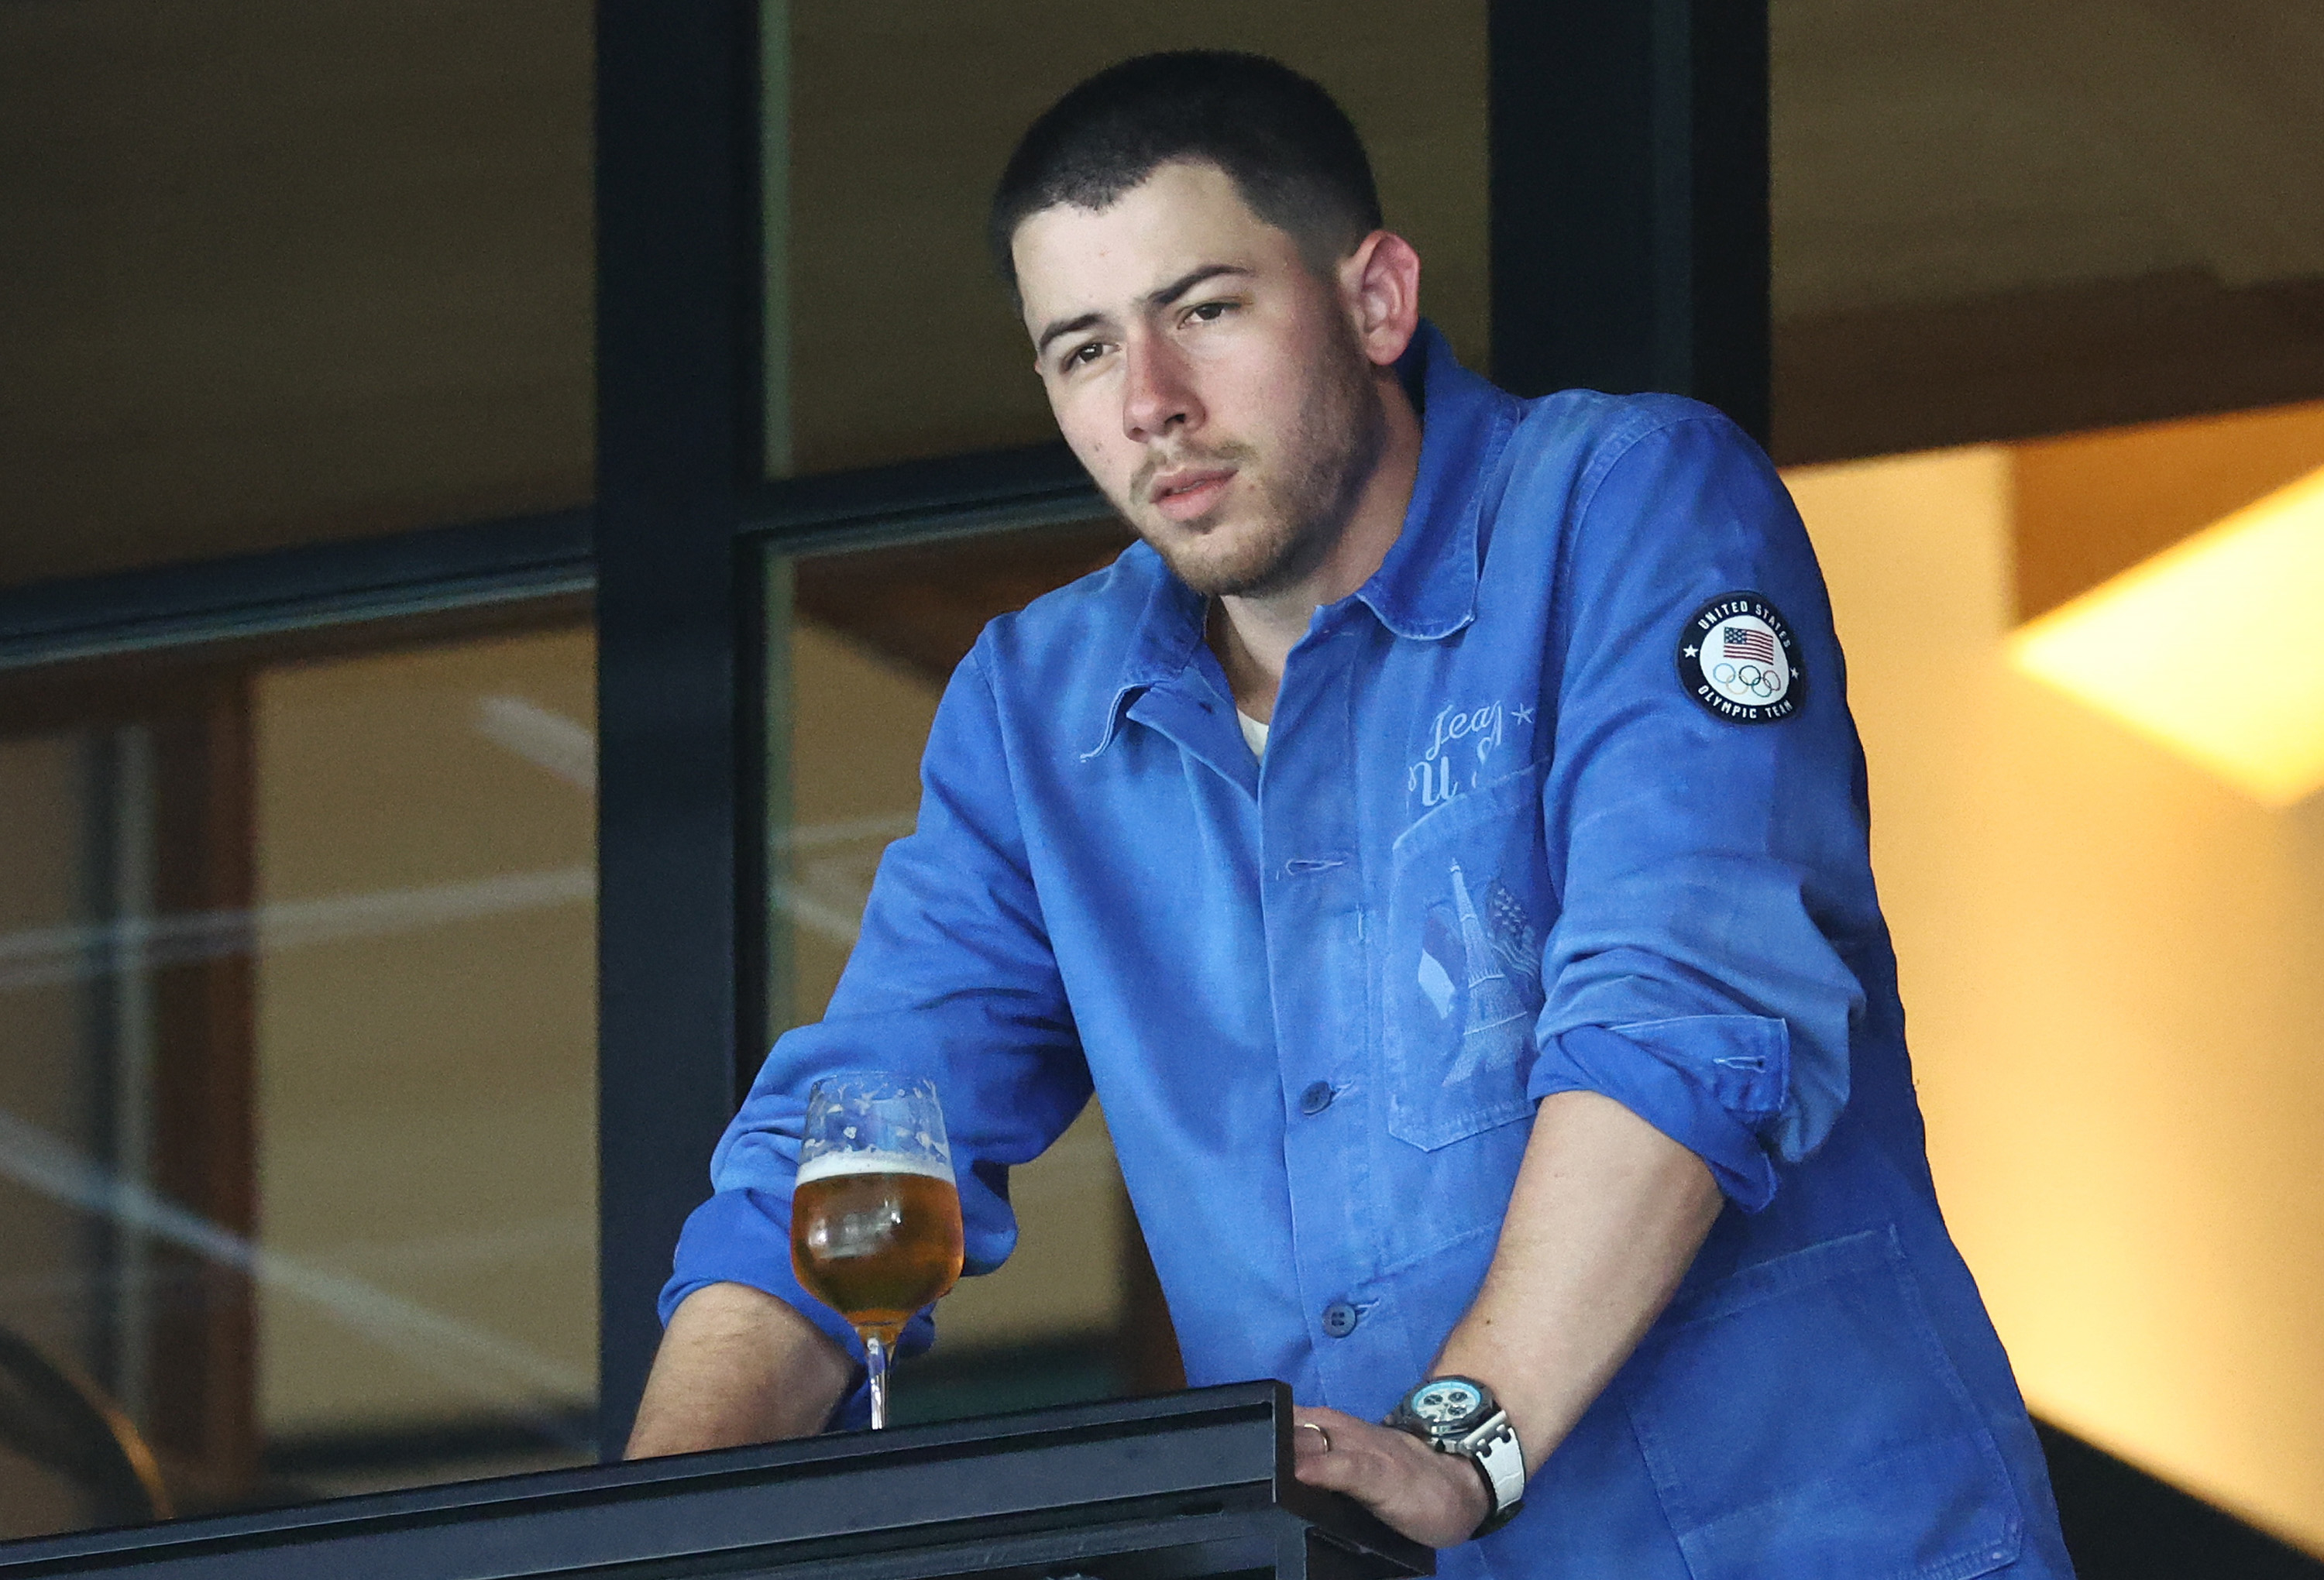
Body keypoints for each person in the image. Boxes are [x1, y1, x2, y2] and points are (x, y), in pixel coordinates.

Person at [626, 50, 2075, 1578]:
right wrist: (638, 1535)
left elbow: (1684, 1001)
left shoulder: (1623, 500)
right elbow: (859, 1144)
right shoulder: (1031, 712)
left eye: (1205, 310)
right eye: (1079, 351)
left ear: (1376, 300)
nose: (1151, 407)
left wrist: (1467, 1434)